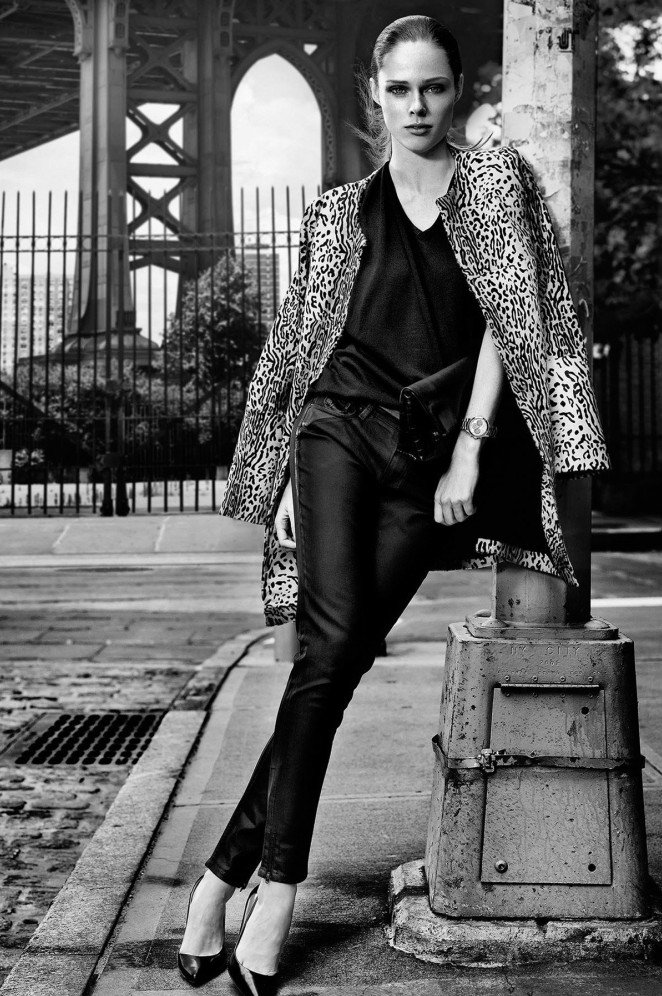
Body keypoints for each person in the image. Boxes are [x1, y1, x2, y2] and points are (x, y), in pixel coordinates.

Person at [177, 14, 610, 993]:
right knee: (331, 647)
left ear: (457, 91)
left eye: (434, 87)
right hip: (335, 432)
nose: (417, 106)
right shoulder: (338, 211)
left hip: (430, 458)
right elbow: (299, 346)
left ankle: (220, 876)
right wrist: (284, 480)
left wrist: (470, 454)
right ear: (374, 92)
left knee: (332, 663)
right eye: (400, 89)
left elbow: (513, 320)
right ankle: (277, 893)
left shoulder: (492, 187)